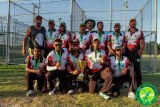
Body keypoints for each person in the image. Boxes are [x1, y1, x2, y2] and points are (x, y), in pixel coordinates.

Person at [124, 18, 145, 87]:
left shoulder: (140, 32)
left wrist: (140, 52)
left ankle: (139, 83)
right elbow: (124, 42)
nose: (133, 23)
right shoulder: (126, 33)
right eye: (131, 22)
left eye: (134, 22)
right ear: (129, 24)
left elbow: (142, 43)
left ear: (135, 23)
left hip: (136, 53)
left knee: (137, 68)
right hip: (127, 53)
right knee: (128, 67)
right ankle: (128, 82)